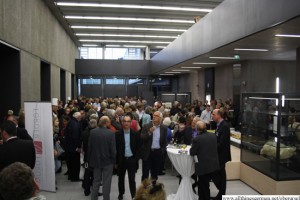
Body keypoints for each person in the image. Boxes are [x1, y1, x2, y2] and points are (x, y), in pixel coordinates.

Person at [88, 116, 116, 200]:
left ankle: (94, 198)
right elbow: (113, 150)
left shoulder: (92, 132)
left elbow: (89, 147)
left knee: (96, 181)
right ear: (106, 123)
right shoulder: (111, 133)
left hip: (96, 161)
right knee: (106, 183)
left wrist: (88, 160)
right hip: (108, 162)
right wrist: (114, 161)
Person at [190, 121, 219, 200]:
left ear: (197, 129)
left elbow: (192, 152)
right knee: (204, 185)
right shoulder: (213, 136)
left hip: (203, 167)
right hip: (213, 166)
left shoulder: (197, 139)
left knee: (204, 186)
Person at [115, 115, 141, 200]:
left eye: (128, 121)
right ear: (122, 122)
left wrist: (135, 159)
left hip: (131, 160)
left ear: (131, 123)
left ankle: (133, 195)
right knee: (121, 179)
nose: (126, 123)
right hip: (121, 160)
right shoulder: (117, 134)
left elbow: (138, 148)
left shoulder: (136, 134)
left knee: (132, 179)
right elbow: (116, 149)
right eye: (124, 121)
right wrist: (116, 162)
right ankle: (121, 193)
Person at [140, 111, 167, 181]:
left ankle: (153, 189)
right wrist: (149, 133)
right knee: (145, 174)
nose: (154, 116)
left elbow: (164, 141)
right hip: (147, 152)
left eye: (157, 116)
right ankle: (144, 189)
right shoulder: (146, 126)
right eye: (154, 115)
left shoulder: (164, 128)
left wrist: (162, 150)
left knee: (154, 173)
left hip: (157, 153)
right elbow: (141, 138)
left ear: (160, 118)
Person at [211, 109, 231, 200]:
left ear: (219, 115)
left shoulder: (225, 126)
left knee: (218, 174)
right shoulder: (218, 125)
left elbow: (222, 143)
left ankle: (222, 193)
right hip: (218, 154)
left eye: (214, 114)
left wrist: (211, 147)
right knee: (220, 174)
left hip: (222, 155)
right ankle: (221, 193)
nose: (212, 116)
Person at [65, 112, 82, 182]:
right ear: (78, 117)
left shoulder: (70, 122)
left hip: (69, 146)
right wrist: (78, 147)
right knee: (76, 163)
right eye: (80, 117)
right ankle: (75, 178)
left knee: (71, 163)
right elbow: (76, 137)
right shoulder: (76, 125)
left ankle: (71, 176)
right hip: (74, 147)